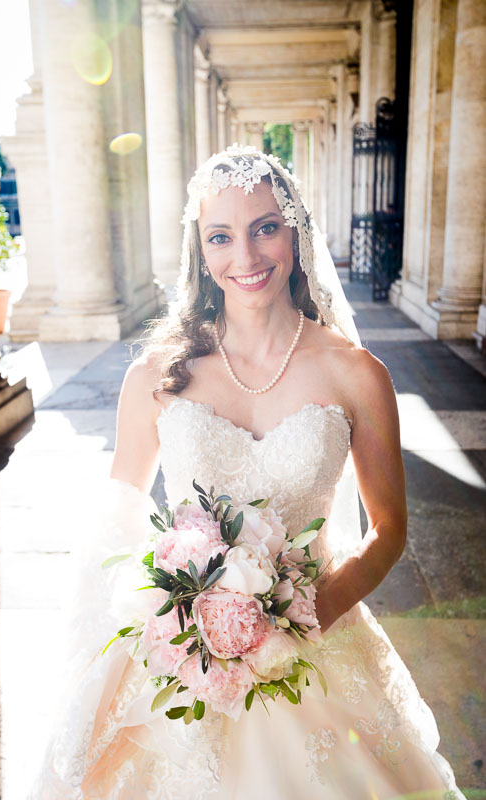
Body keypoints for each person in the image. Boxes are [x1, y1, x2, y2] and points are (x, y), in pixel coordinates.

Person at [31, 145, 464, 798]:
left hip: (319, 641)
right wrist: (131, 637)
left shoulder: (356, 374)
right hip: (180, 653)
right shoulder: (156, 375)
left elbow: (388, 529)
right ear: (200, 251)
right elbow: (117, 523)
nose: (247, 257)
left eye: (264, 227)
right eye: (221, 237)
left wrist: (303, 614)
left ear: (294, 229)